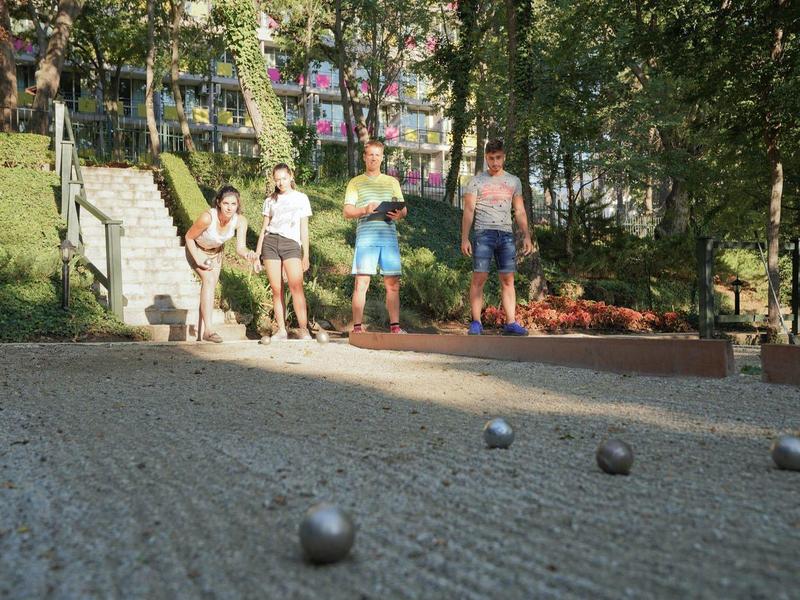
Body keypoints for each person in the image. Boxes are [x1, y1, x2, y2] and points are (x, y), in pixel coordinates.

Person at [460, 139, 533, 336]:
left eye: (498, 158)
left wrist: (526, 236)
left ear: (504, 157)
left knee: (508, 279)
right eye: (491, 158)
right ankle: (476, 322)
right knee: (479, 277)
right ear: (486, 158)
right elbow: (468, 210)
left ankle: (511, 322)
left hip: (506, 236)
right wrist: (465, 238)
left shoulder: (513, 181)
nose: (495, 162)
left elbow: (519, 211)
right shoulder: (475, 181)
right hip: (483, 234)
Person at [343, 140, 407, 334]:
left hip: (388, 238)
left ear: (382, 157)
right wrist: (364, 209)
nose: (373, 158)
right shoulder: (355, 182)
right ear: (364, 156)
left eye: (377, 154)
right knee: (361, 283)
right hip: (366, 239)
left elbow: (403, 209)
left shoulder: (392, 182)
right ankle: (357, 328)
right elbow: (347, 211)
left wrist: (399, 214)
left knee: (393, 284)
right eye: (370, 154)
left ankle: (395, 327)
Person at [185, 185, 256, 343]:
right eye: (226, 203)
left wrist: (248, 254)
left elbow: (240, 248)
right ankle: (209, 331)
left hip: (216, 253)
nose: (229, 208)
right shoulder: (207, 218)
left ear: (238, 205)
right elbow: (189, 237)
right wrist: (197, 259)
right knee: (209, 280)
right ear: (218, 202)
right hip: (196, 250)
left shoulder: (240, 221)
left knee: (209, 286)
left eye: (233, 204)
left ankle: (200, 332)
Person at [255, 163, 313, 341]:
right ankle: (281, 329)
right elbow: (264, 228)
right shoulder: (270, 200)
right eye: (277, 179)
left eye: (284, 178)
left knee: (296, 286)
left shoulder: (301, 198)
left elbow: (304, 228)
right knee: (276, 288)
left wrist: (306, 254)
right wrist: (257, 254)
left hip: (291, 244)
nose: (281, 182)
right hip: (271, 242)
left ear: (291, 176)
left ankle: (303, 329)